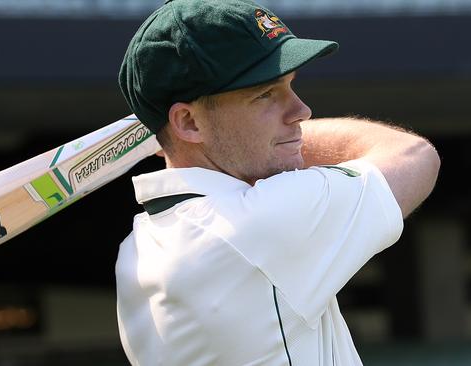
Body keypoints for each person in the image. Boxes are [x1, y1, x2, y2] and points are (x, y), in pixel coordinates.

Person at [115, 0, 440, 365]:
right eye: (265, 95)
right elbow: (413, 155)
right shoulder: (264, 221)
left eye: (290, 85)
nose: (301, 111)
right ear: (189, 123)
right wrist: (289, 142)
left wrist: (180, 138)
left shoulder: (137, 248)